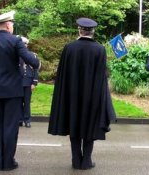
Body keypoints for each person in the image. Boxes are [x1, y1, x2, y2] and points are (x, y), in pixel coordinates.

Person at [48, 17, 116, 170]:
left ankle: (75, 160)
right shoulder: (100, 49)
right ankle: (86, 161)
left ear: (80, 30)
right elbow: (102, 76)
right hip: (92, 96)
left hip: (72, 96)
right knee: (90, 127)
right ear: (93, 32)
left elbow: (62, 75)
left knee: (74, 125)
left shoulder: (69, 48)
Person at [0, 11, 40, 171]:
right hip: (13, 92)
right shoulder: (15, 41)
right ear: (7, 25)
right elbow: (31, 61)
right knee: (11, 127)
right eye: (12, 24)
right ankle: (8, 162)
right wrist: (37, 62)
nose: (12, 27)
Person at [19, 36, 39, 128]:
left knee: (27, 102)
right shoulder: (15, 55)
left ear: (27, 45)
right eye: (22, 44)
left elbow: (36, 69)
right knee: (18, 102)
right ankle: (19, 120)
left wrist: (34, 82)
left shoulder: (32, 55)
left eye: (25, 44)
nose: (24, 45)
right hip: (18, 82)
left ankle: (27, 120)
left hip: (28, 81)